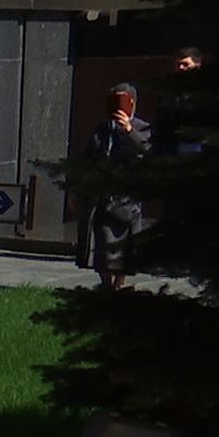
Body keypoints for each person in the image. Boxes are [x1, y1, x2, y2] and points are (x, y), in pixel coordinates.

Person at [76, 82, 153, 289]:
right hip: (103, 196)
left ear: (132, 104)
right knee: (102, 246)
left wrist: (129, 130)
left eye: (123, 101)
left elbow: (148, 154)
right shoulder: (102, 129)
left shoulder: (142, 128)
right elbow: (87, 158)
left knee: (125, 250)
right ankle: (107, 285)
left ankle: (119, 285)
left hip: (128, 199)